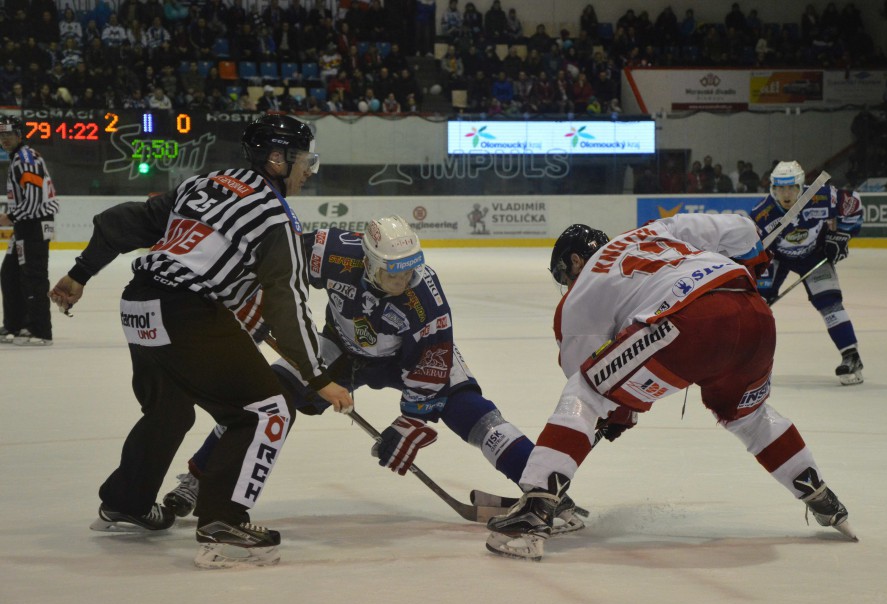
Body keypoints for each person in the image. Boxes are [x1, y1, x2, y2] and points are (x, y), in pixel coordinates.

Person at [47, 115, 353, 569]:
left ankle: (127, 500)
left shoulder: (206, 182)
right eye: (305, 159)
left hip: (139, 305)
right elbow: (286, 306)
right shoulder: (274, 216)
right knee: (266, 410)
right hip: (185, 312)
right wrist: (318, 377)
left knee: (169, 410)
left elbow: (125, 221)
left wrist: (80, 273)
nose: (310, 168)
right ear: (277, 159)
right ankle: (223, 521)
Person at [163, 215, 586, 537]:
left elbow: (430, 366)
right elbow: (275, 265)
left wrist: (410, 422)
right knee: (267, 398)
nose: (404, 280)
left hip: (412, 359)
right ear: (367, 261)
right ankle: (199, 480)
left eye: (410, 270)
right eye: (393, 272)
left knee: (477, 417)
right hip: (340, 347)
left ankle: (547, 495)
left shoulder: (426, 301)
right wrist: (250, 300)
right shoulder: (331, 250)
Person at [485, 217, 857, 560]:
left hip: (685, 324)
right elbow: (743, 230)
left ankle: (535, 508)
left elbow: (589, 381)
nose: (567, 283)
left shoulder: (578, 297)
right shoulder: (654, 230)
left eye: (565, 273)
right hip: (754, 313)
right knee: (749, 416)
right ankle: (822, 498)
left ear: (577, 260)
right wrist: (752, 268)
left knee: (585, 390)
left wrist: (619, 414)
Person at [750, 161, 865, 385]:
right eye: (781, 188)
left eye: (791, 187)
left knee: (829, 303)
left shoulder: (822, 197)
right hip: (777, 258)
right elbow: (753, 249)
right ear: (772, 188)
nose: (786, 193)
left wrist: (842, 234)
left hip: (815, 255)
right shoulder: (761, 214)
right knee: (757, 304)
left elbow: (854, 204)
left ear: (801, 186)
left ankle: (851, 355)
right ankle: (747, 360)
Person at [0, 115, 59, 346]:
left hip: (34, 224)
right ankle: (15, 325)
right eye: (1, 135)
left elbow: (34, 199)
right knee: (10, 272)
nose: (4, 139)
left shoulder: (25, 159)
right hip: (26, 223)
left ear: (19, 135)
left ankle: (40, 330)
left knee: (33, 276)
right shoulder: (19, 157)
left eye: (8, 134)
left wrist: (9, 216)